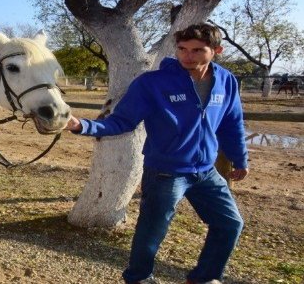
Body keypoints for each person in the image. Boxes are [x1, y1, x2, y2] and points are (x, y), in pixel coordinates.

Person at [66, 23, 248, 284]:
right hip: (166, 172)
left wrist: (240, 157)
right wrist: (81, 125)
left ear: (216, 50)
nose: (187, 56)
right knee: (152, 231)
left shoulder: (226, 81)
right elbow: (122, 122)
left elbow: (232, 122)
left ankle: (204, 278)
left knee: (230, 224)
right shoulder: (153, 83)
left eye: (197, 50)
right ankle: (139, 277)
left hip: (206, 171)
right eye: (182, 49)